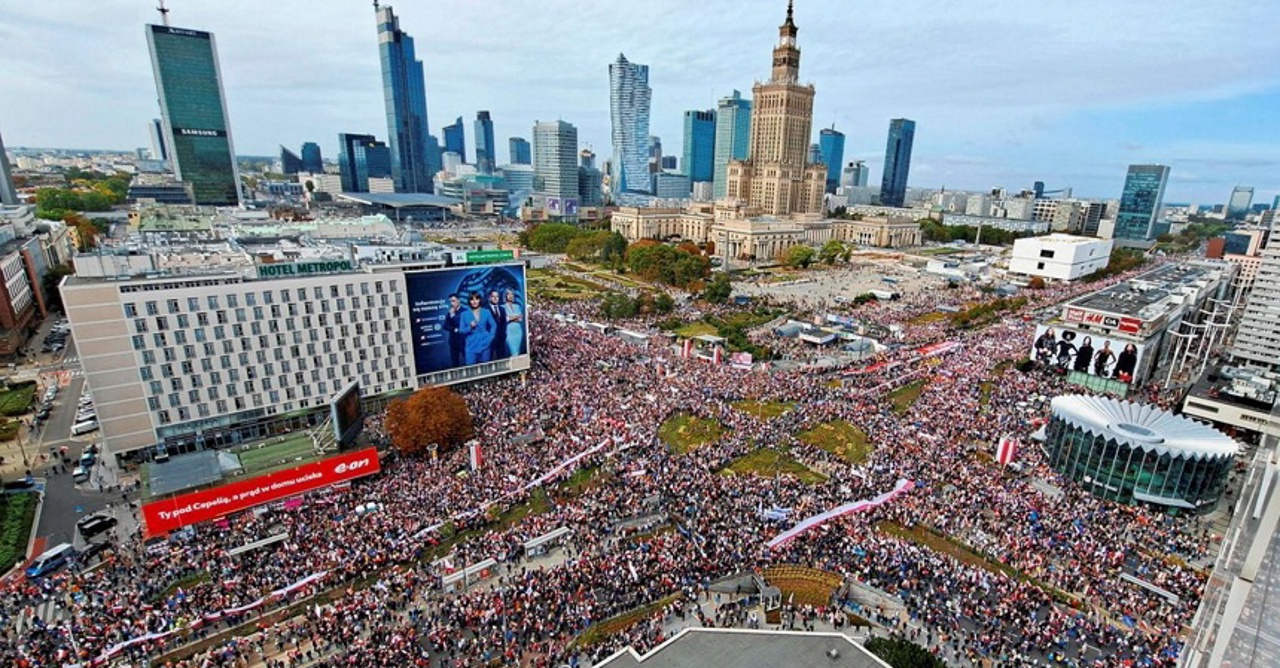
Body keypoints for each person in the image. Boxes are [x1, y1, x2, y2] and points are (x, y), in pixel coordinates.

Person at [462, 292, 496, 365]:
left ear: (480, 300)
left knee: (486, 369)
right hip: (471, 345)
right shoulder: (464, 314)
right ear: (469, 301)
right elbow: (461, 331)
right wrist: (470, 327)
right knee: (471, 370)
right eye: (472, 299)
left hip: (485, 343)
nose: (474, 301)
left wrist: (490, 338)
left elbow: (494, 325)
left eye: (477, 299)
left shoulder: (486, 312)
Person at [443, 294, 466, 368]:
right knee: (455, 363)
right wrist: (454, 329)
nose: (451, 303)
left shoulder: (465, 311)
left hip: (463, 341)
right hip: (453, 342)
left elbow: (461, 324)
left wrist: (453, 316)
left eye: (453, 301)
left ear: (458, 300)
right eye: (450, 301)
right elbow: (445, 326)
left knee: (468, 361)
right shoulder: (450, 312)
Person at [488, 290, 509, 361]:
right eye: (493, 296)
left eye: (497, 296)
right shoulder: (485, 310)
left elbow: (504, 323)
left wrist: (504, 335)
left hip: (501, 339)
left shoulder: (502, 309)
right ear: (489, 298)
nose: (495, 298)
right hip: (490, 339)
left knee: (502, 358)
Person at [504, 289, 524, 358]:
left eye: (512, 294)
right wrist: (516, 317)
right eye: (508, 294)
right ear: (505, 296)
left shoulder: (517, 306)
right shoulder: (502, 307)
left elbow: (521, 318)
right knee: (513, 352)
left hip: (518, 331)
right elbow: (505, 319)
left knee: (517, 352)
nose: (510, 296)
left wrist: (511, 318)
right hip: (509, 332)